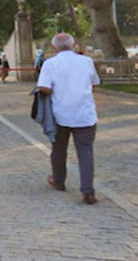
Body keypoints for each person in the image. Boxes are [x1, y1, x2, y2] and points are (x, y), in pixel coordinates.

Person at [37, 32, 100, 204]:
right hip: (85, 114)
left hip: (60, 114)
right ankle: (88, 190)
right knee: (85, 152)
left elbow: (43, 86)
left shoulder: (50, 64)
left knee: (58, 150)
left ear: (54, 47)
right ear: (74, 45)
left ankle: (59, 181)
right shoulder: (86, 61)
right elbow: (94, 83)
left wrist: (56, 91)